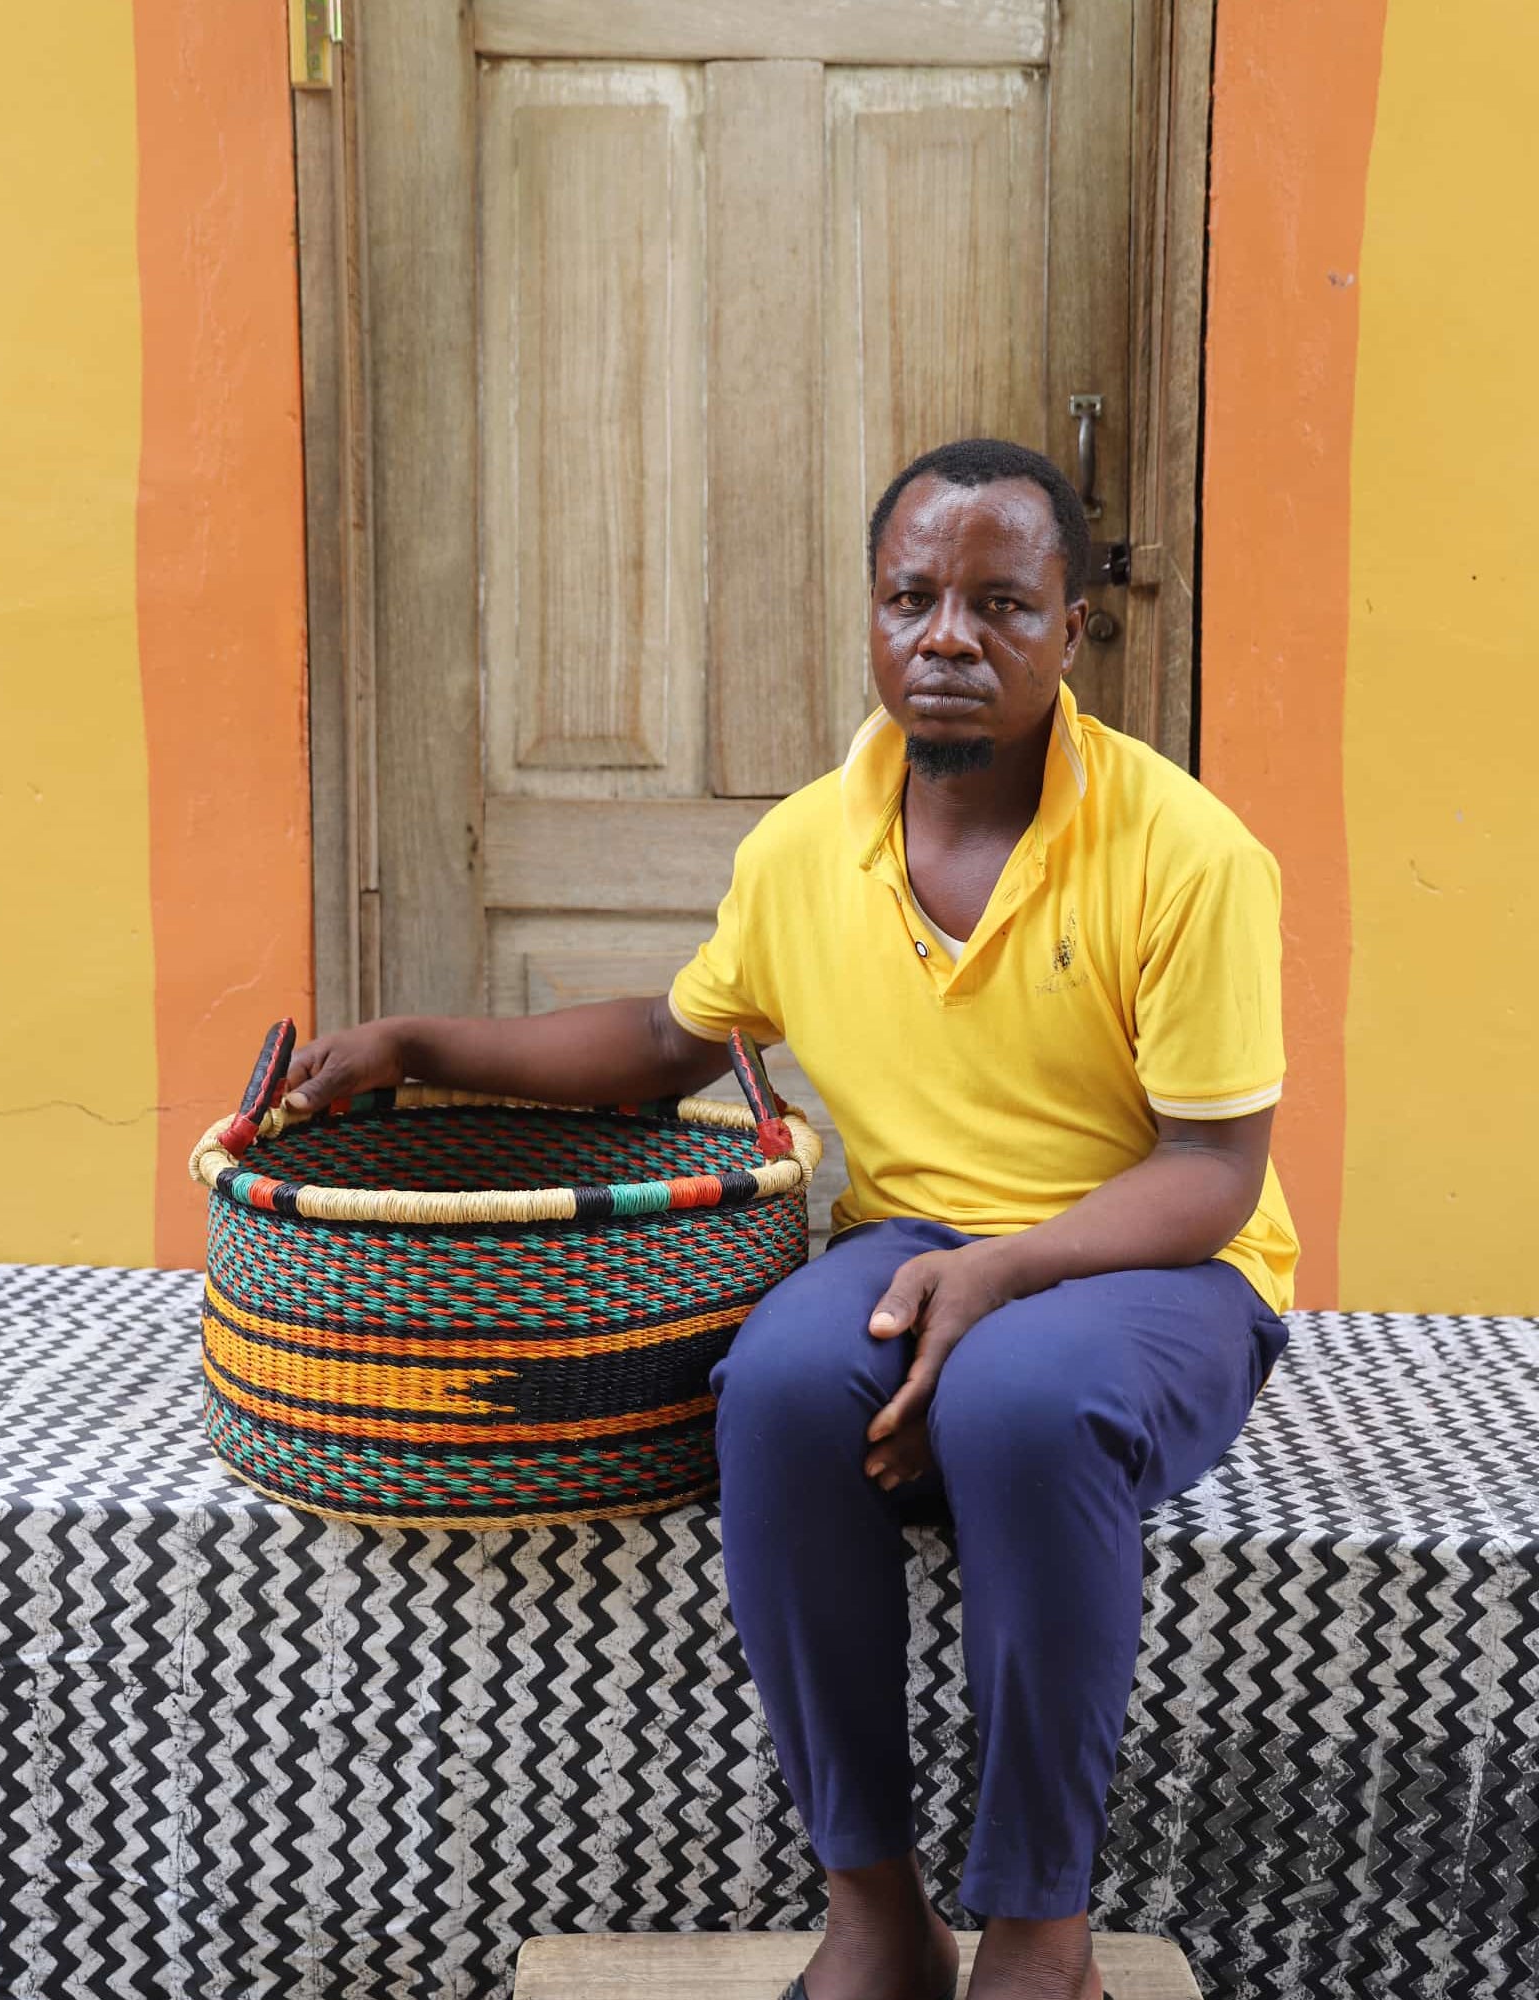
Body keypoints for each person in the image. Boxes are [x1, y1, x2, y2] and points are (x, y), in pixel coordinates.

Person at [284, 438, 1298, 2000]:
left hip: (1155, 1253)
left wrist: (1007, 1274)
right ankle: (877, 1915)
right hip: (914, 1237)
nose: (947, 636)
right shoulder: (804, 848)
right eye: (911, 598)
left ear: (1074, 630)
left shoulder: (1188, 855)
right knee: (769, 1389)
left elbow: (1214, 1170)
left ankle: (1041, 1936)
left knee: (1025, 1404)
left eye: (1000, 604)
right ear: (872, 618)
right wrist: (419, 1046)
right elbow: (669, 1046)